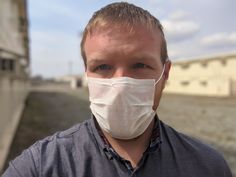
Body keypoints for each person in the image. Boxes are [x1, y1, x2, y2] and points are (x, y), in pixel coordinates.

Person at [2, 2, 232, 177]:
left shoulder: (208, 166)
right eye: (102, 66)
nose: (121, 84)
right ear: (87, 74)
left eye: (140, 65)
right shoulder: (40, 166)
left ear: (166, 73)